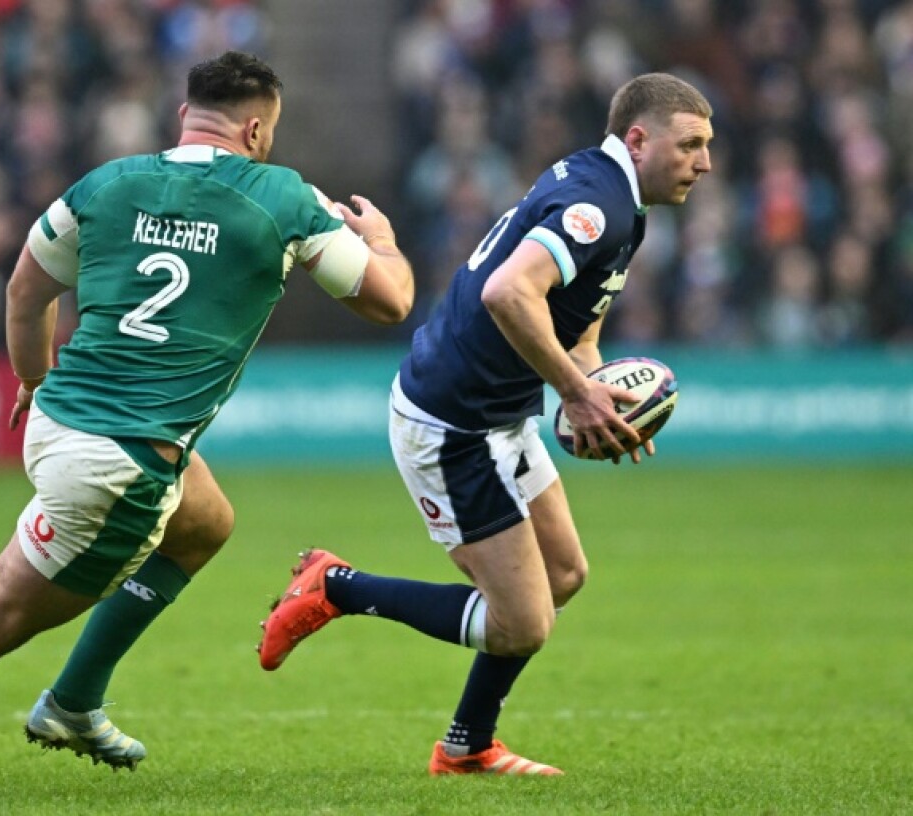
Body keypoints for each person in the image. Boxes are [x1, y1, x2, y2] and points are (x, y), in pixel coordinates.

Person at [0, 50, 414, 796]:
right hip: (120, 468)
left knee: (204, 520)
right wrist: (384, 241)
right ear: (258, 128)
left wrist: (31, 378)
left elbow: (24, 289)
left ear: (183, 117)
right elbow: (390, 302)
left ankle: (74, 701)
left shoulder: (107, 183)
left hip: (61, 417)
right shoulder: (281, 197)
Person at [258, 73, 713, 775]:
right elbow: (508, 292)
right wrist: (574, 390)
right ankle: (336, 587)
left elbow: (578, 325)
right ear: (638, 138)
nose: (704, 162)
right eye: (691, 145)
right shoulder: (599, 206)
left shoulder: (617, 198)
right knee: (522, 622)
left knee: (562, 575)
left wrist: (592, 390)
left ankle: (467, 746)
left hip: (498, 413)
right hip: (452, 423)